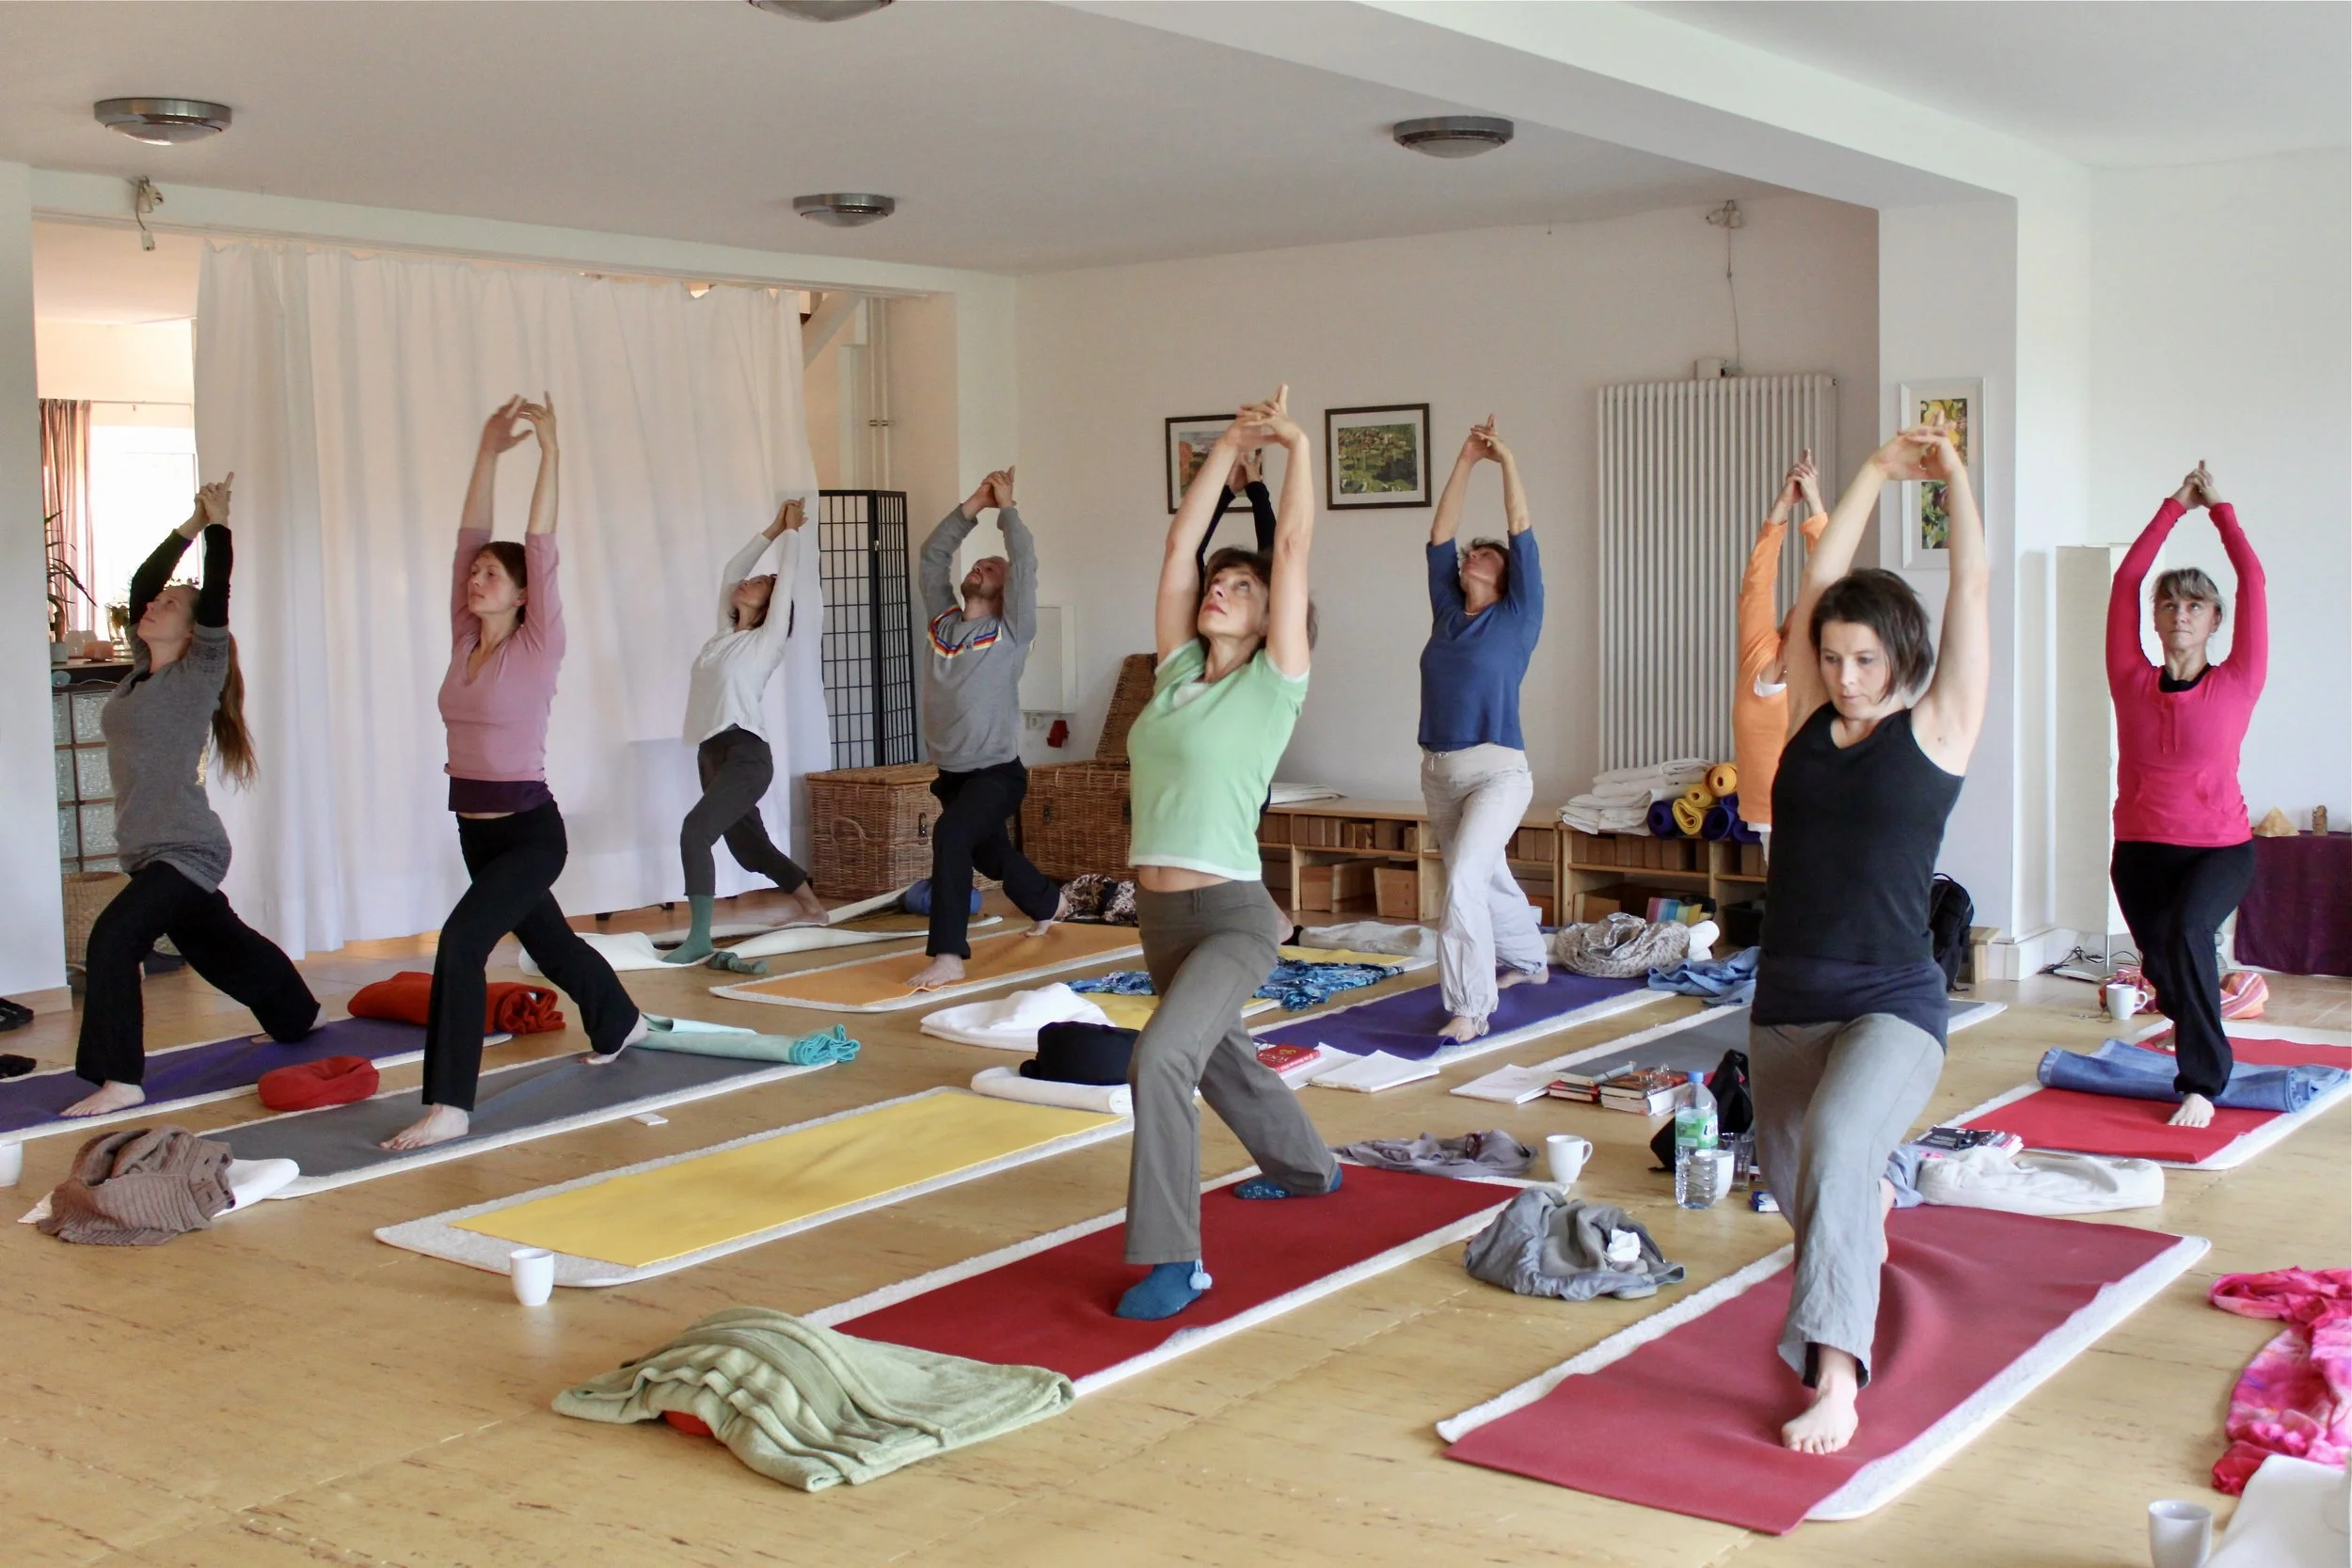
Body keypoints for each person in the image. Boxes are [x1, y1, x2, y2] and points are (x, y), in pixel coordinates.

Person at [1750, 418, 1989, 1455]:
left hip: (1894, 998)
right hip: (1786, 1000)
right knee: (1805, 1187)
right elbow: (1823, 577)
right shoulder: (1808, 713)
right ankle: (1855, 1244)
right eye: (1834, 656)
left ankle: (1834, 1377)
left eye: (1862, 657)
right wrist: (1869, 473)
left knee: (1845, 1147)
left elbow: (1972, 593)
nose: (1844, 673)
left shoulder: (1937, 728)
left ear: (1900, 655)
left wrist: (1953, 483)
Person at [1115, 386, 1340, 1323]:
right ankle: (1306, 1165)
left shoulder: (1271, 685)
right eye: (1221, 581)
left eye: (1241, 589)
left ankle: (1172, 1258)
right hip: (1159, 915)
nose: (1220, 588)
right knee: (1220, 1058)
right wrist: (1225, 444)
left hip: (1234, 913)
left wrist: (1291, 445)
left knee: (1161, 1056)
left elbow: (1291, 548)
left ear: (1270, 622)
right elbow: (1179, 547)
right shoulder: (1172, 675)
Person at [384, 396, 644, 1150]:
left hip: (532, 831)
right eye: (475, 573)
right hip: (474, 832)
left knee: (461, 945)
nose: (477, 578)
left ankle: (449, 1105)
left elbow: (541, 540)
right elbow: (468, 535)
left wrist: (551, 452)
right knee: (554, 943)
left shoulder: (539, 644)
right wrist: (488, 453)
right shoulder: (465, 637)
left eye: (493, 574)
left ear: (525, 591)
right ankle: (619, 1018)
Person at [64, 477, 320, 1117]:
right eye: (156, 602)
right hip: (150, 853)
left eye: (171, 603)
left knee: (114, 939)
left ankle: (119, 1077)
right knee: (219, 946)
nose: (153, 605)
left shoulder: (199, 671)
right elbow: (145, 582)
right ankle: (296, 1014)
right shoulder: (137, 677)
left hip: (187, 849)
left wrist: (218, 526)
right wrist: (188, 520)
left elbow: (216, 590)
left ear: (195, 625)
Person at [2106, 463, 2265, 1130]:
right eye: (2170, 603)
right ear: (2155, 617)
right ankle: (2204, 1001)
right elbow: (2125, 579)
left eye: (2195, 605)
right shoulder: (2130, 678)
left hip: (2219, 849)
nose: (2180, 613)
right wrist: (2171, 506)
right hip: (2140, 851)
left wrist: (2218, 509)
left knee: (2189, 930)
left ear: (2216, 620)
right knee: (2165, 967)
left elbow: (2252, 580)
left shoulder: (2237, 681)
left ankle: (2202, 1081)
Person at [907, 466, 1064, 990]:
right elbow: (932, 556)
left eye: (993, 568)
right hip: (952, 774)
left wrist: (1007, 510)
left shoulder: (1011, 632)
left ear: (1005, 591)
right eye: (979, 563)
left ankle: (948, 954)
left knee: (953, 834)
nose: (983, 565)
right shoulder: (942, 624)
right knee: (989, 853)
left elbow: (1025, 561)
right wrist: (974, 503)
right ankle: (1048, 901)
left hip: (997, 773)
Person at [1419, 416, 1548, 1043]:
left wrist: (1506, 461)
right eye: (1471, 553)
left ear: (1505, 575)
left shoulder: (1518, 617)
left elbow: (1521, 529)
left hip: (1499, 769)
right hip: (1440, 770)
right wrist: (1466, 459)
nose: (1472, 555)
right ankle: (1529, 960)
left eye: (1486, 554)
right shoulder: (1448, 614)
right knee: (1487, 873)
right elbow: (1440, 533)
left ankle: (1470, 1005)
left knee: (1464, 877)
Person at [664, 496, 826, 964]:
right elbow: (732, 569)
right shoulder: (723, 638)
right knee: (749, 849)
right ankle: (813, 908)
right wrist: (773, 529)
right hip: (712, 754)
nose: (749, 580)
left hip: (746, 754)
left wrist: (794, 533)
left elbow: (789, 576)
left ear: (774, 602)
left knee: (695, 832)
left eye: (761, 582)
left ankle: (698, 938)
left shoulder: (767, 639)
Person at [1732, 450, 1830, 834]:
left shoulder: (1821, 668)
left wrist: (1817, 504)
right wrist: (1782, 508)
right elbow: (1757, 583)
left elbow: (1830, 579)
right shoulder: (1759, 653)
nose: (1799, 605)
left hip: (1817, 811)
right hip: (1766, 815)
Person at [1195, 446, 1274, 579]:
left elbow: (1274, 559)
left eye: (1242, 584)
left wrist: (1256, 491)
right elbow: (1190, 551)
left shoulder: (1268, 597)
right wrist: (1227, 492)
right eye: (1216, 580)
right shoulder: (1202, 597)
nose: (1219, 589)